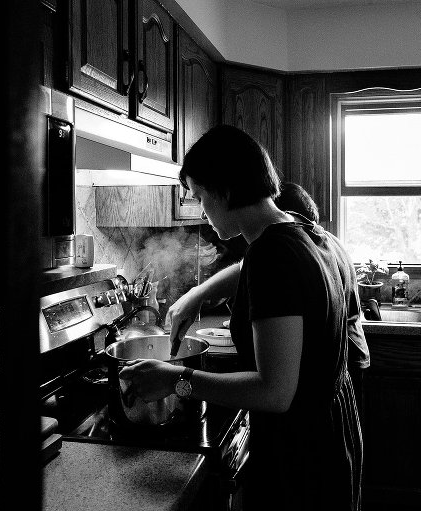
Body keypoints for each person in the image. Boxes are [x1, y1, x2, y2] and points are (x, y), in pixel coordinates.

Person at [120, 125, 362, 509]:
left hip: (300, 451)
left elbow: (274, 392)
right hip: (333, 431)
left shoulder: (272, 255)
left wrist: (176, 380)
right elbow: (256, 265)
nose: (201, 209)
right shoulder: (312, 234)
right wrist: (199, 293)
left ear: (225, 190)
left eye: (200, 197)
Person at [275, 182, 370, 414]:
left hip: (344, 355)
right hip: (350, 352)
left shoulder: (303, 246)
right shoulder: (327, 240)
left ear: (289, 218)